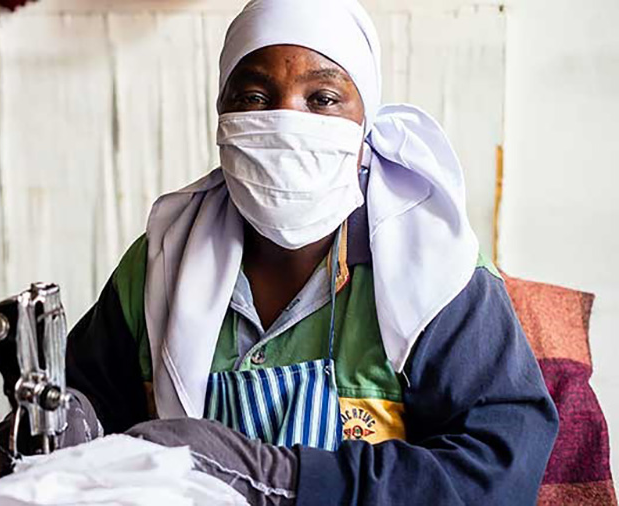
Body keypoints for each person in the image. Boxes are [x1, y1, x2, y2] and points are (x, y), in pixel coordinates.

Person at [63, 0, 559, 504]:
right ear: (222, 115)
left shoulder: (435, 273)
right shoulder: (161, 261)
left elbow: (497, 471)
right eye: (254, 96)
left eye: (322, 98)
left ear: (365, 125)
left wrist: (277, 477)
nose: (284, 121)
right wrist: (68, 421)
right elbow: (90, 400)